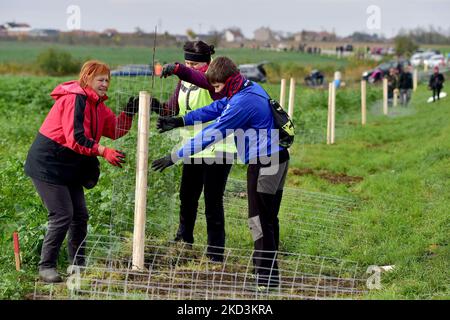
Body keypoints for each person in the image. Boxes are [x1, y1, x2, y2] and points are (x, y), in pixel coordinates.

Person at [152, 56, 290, 288]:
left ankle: (265, 279)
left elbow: (212, 133)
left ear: (227, 80)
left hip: (265, 163)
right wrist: (180, 121)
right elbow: (216, 108)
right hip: (278, 158)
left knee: (258, 219)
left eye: (216, 86)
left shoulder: (241, 103)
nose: (215, 91)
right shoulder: (248, 88)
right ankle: (268, 274)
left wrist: (175, 156)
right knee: (267, 218)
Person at [24, 60, 139, 283]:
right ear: (86, 78)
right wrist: (103, 150)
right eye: (100, 79)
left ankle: (77, 265)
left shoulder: (96, 104)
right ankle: (46, 266)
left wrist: (129, 113)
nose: (105, 84)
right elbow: (74, 138)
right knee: (62, 214)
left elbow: (114, 130)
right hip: (49, 162)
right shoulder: (74, 98)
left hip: (71, 166)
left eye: (107, 80)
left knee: (80, 215)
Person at [151, 41, 236, 262]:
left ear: (208, 64)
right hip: (192, 150)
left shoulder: (213, 80)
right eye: (188, 63)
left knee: (212, 201)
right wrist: (153, 105)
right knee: (187, 197)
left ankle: (215, 252)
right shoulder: (184, 82)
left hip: (218, 148)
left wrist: (180, 69)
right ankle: (184, 240)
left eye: (195, 64)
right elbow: (172, 109)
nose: (192, 67)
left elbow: (200, 80)